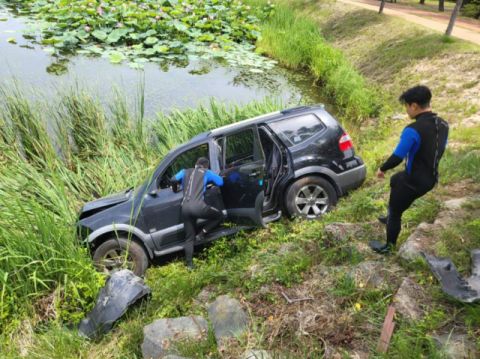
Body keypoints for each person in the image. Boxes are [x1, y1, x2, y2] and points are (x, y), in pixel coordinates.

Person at [370, 85, 449, 255]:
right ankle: (390, 216)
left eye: (406, 106)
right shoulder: (443, 124)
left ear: (414, 106)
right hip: (431, 178)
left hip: (414, 182)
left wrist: (382, 168)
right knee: (395, 179)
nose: (406, 111)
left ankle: (388, 247)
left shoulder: (412, 130)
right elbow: (439, 150)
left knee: (396, 212)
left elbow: (397, 157)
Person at [171, 157, 224, 270]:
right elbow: (221, 182)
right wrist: (209, 180)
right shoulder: (206, 172)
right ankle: (201, 234)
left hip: (184, 208)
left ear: (195, 165)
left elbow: (173, 179)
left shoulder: (185, 171)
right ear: (206, 166)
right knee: (219, 215)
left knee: (189, 238)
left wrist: (175, 189)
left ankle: (189, 265)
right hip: (199, 207)